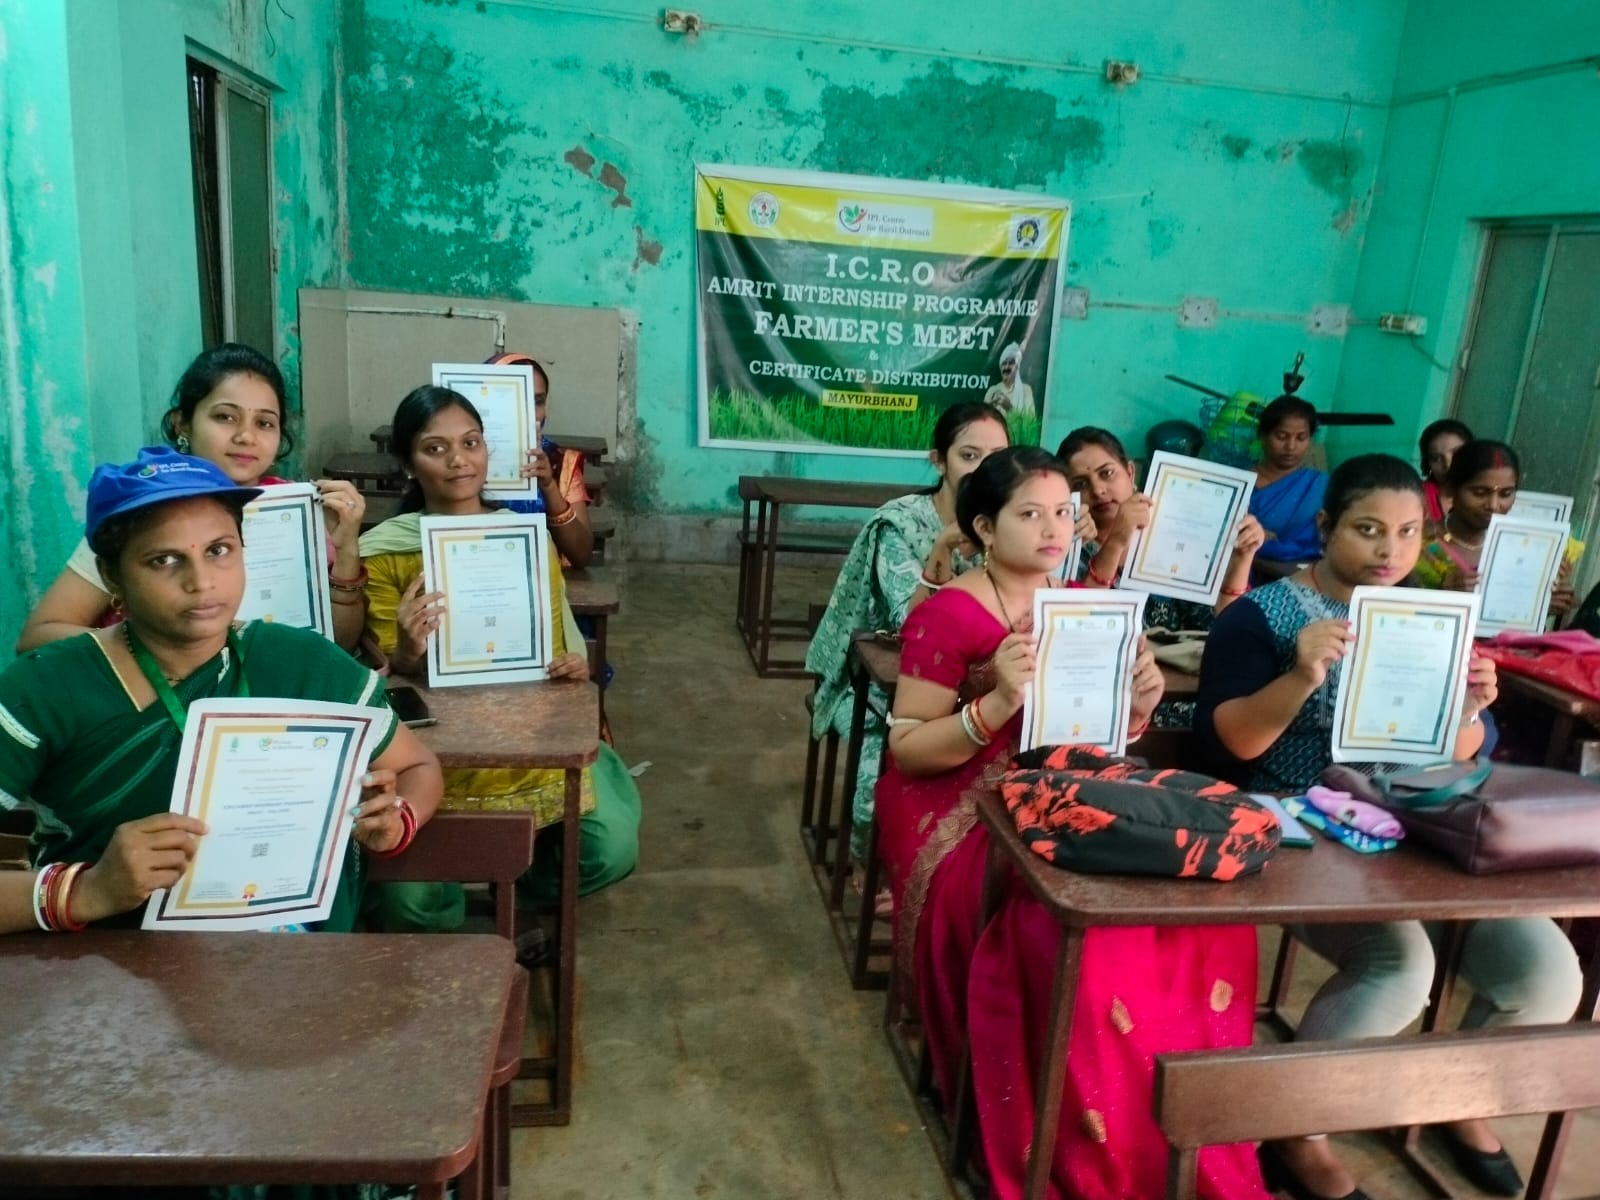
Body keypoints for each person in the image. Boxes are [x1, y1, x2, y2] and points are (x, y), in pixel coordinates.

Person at [876, 446, 1268, 1200]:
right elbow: (909, 751)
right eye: (1031, 514)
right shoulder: (945, 614)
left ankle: (1177, 1126)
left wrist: (1140, 703)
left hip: (1068, 791)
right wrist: (996, 704)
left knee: (1202, 921)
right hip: (964, 806)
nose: (1055, 528)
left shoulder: (1085, 603)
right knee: (1070, 940)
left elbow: (1098, 738)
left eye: (1063, 512)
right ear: (984, 528)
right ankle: (1075, 1139)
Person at [1194, 453, 1583, 1200]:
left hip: (1422, 828)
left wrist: (1470, 707)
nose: (1390, 550)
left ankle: (1456, 1098)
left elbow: (1464, 753)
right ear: (1325, 527)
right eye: (1368, 529)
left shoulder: (1429, 619)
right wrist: (1299, 676)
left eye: (1407, 533)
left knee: (1545, 976)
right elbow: (1229, 748)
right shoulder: (1262, 616)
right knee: (1399, 969)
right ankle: (1294, 1131)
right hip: (1302, 828)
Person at [0, 446, 441, 938]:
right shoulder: (45, 687)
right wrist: (88, 891)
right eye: (164, 560)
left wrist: (396, 818)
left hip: (294, 963)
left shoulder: (304, 665)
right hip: (106, 968)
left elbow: (417, 766)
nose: (201, 581)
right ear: (111, 576)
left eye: (219, 550)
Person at [360, 385, 640, 931]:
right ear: (409, 465)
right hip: (434, 746)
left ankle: (521, 888)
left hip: (527, 729)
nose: (458, 460)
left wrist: (568, 665)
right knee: (409, 900)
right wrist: (409, 650)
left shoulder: (524, 536)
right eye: (435, 448)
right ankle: (448, 926)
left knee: (609, 848)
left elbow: (553, 646)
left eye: (470, 443)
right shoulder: (386, 550)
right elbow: (395, 676)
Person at [17, 344, 370, 653]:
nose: (246, 436)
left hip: (268, 696)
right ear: (182, 423)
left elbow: (337, 646)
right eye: (225, 417)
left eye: (264, 423)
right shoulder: (139, 509)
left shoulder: (299, 513)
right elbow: (38, 637)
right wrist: (156, 647)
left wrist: (346, 551)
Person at [803, 401, 1011, 861]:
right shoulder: (901, 524)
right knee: (878, 787)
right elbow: (912, 628)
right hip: (886, 689)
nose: (983, 470)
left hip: (982, 687)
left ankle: (951, 875)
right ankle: (874, 868)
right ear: (938, 460)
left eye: (996, 457)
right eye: (969, 455)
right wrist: (941, 550)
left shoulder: (1012, 522)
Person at [1410, 439, 1578, 616]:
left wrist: (1549, 601)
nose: (1493, 505)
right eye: (1480, 493)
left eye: (1506, 494)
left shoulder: (1530, 545)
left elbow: (1564, 602)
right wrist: (1440, 595)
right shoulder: (1419, 545)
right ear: (1451, 489)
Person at [485, 351, 595, 567]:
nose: (529, 412)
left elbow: (581, 556)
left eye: (537, 401)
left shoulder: (559, 462)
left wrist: (548, 486)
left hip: (546, 580)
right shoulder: (465, 460)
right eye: (514, 399)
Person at [1248, 395, 1327, 567]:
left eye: (1301, 438)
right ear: (1263, 436)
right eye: (1282, 436)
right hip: (1237, 574)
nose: (1291, 446)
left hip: (1297, 576)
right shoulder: (1239, 483)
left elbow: (1328, 542)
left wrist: (1267, 543)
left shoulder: (1320, 486)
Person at [1418, 417, 1473, 530]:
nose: (1448, 465)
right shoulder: (1416, 496)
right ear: (1428, 464)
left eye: (1457, 454)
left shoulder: (1489, 497)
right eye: (1436, 458)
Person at [983, 341, 1035, 415]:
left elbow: (1030, 420)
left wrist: (1009, 408)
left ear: (1017, 367)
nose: (1006, 367)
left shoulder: (1026, 390)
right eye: (1004, 363)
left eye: (1011, 363)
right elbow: (983, 418)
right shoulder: (992, 391)